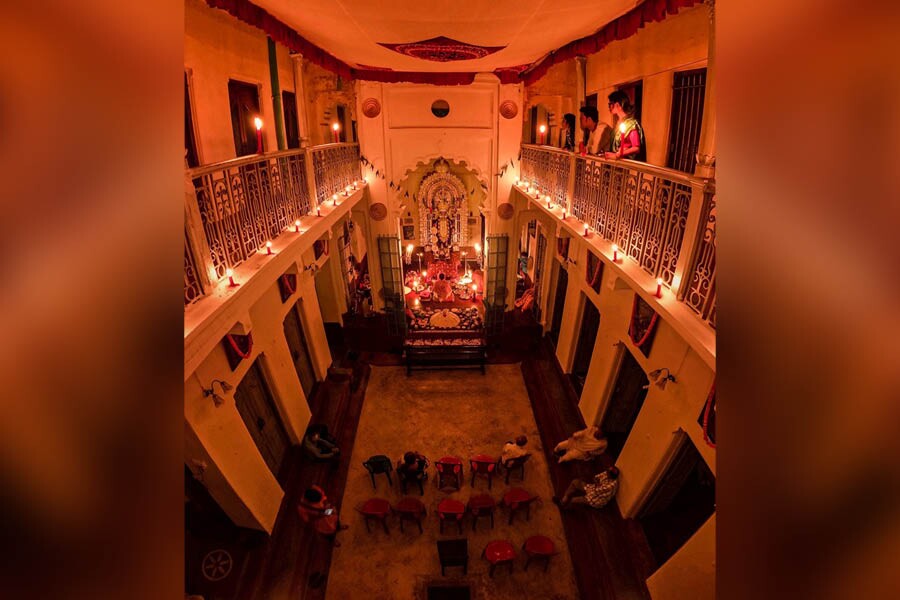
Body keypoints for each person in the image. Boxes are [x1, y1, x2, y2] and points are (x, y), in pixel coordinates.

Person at [603, 90, 646, 162]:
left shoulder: (631, 124)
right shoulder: (618, 123)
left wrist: (619, 154)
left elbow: (636, 148)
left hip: (626, 166)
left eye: (610, 104)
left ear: (618, 105)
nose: (609, 107)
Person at [554, 466, 620, 509]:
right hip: (592, 488)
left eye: (608, 472)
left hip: (596, 499)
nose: (606, 472)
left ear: (610, 476)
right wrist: (597, 483)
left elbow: (596, 490)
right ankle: (563, 501)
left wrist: (596, 482)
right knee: (575, 482)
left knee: (573, 500)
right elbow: (595, 477)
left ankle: (565, 508)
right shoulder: (607, 474)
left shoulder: (610, 486)